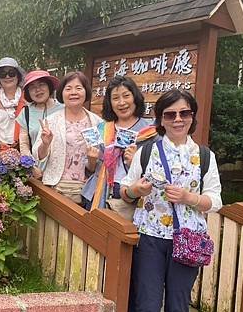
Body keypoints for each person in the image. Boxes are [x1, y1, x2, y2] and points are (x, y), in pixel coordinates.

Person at [120, 89, 222, 312]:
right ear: (161, 119)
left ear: (192, 117)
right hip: (150, 237)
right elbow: (125, 189)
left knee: (178, 305)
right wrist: (135, 190)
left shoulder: (204, 155)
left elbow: (215, 200)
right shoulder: (148, 151)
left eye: (184, 113)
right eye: (170, 114)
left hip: (188, 239)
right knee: (148, 304)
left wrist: (190, 198)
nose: (178, 119)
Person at [81, 76, 156, 214]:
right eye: (115, 98)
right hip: (98, 195)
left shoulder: (151, 132)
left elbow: (158, 169)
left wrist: (136, 162)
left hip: (132, 199)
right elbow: (90, 169)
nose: (121, 102)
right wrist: (91, 160)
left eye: (126, 96)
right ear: (110, 103)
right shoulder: (101, 129)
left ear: (135, 97)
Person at [32, 71, 103, 204]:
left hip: (86, 190)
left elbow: (98, 162)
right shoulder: (51, 121)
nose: (73, 92)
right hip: (56, 187)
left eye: (78, 88)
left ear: (86, 91)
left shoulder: (97, 122)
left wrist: (92, 161)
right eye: (68, 88)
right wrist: (45, 144)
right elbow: (38, 156)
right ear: (61, 93)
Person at [16, 70, 63, 164]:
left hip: (62, 168)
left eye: (41, 84)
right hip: (38, 169)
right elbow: (24, 144)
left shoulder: (63, 109)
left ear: (49, 86)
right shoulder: (26, 112)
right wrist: (31, 166)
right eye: (32, 87)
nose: (37, 90)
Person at [0, 57, 27, 152]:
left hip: (26, 148)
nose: (7, 77)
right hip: (3, 150)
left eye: (11, 73)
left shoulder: (27, 97)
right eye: (3, 74)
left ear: (18, 76)